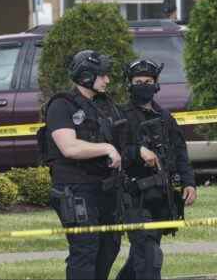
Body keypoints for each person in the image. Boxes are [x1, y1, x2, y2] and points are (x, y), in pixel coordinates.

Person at [41, 50, 125, 280]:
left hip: (104, 188)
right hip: (75, 188)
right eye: (103, 75)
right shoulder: (61, 105)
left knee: (110, 246)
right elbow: (69, 147)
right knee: (85, 249)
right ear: (87, 76)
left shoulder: (103, 105)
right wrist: (106, 149)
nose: (107, 80)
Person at [117, 59, 197, 280]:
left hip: (162, 196)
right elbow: (112, 154)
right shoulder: (120, 116)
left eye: (148, 81)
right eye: (138, 81)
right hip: (133, 196)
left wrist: (189, 183)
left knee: (141, 257)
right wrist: (138, 151)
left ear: (156, 84)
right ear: (130, 84)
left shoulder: (165, 117)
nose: (144, 85)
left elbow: (180, 153)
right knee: (149, 255)